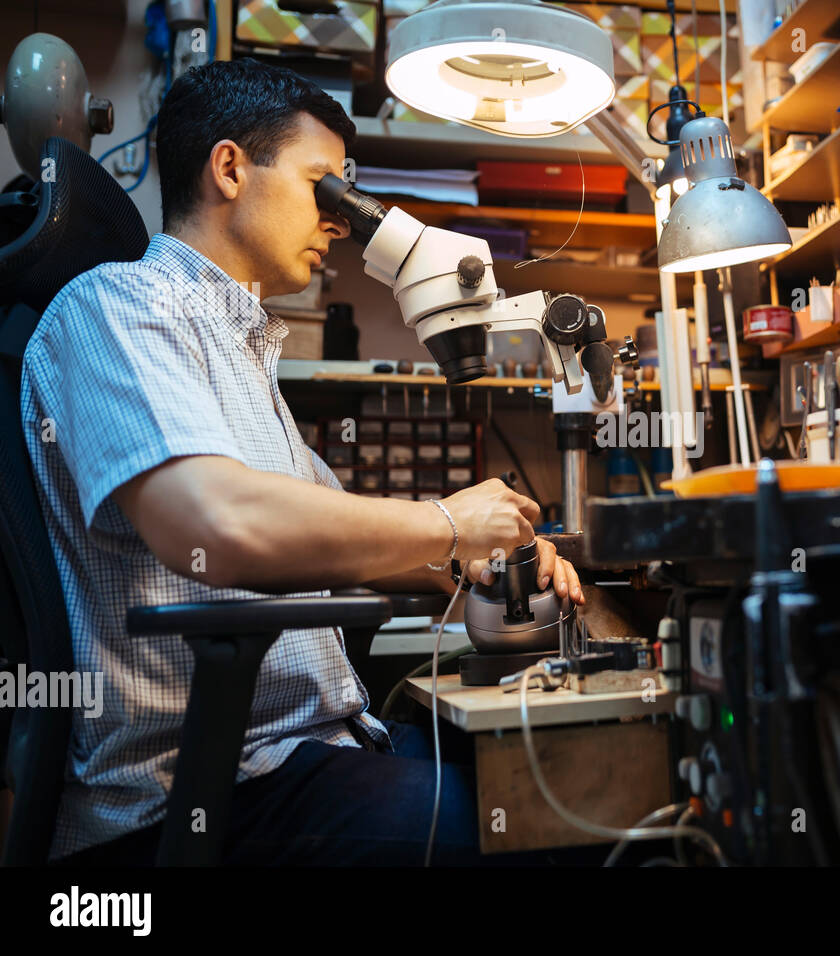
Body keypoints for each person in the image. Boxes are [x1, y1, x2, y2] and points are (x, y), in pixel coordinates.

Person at [20, 57, 584, 865]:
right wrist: (446, 523)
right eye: (324, 187)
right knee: (544, 829)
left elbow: (334, 535)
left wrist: (489, 557)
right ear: (229, 168)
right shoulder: (115, 308)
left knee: (543, 773)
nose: (339, 222)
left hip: (309, 762)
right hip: (200, 801)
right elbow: (211, 522)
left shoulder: (243, 358)